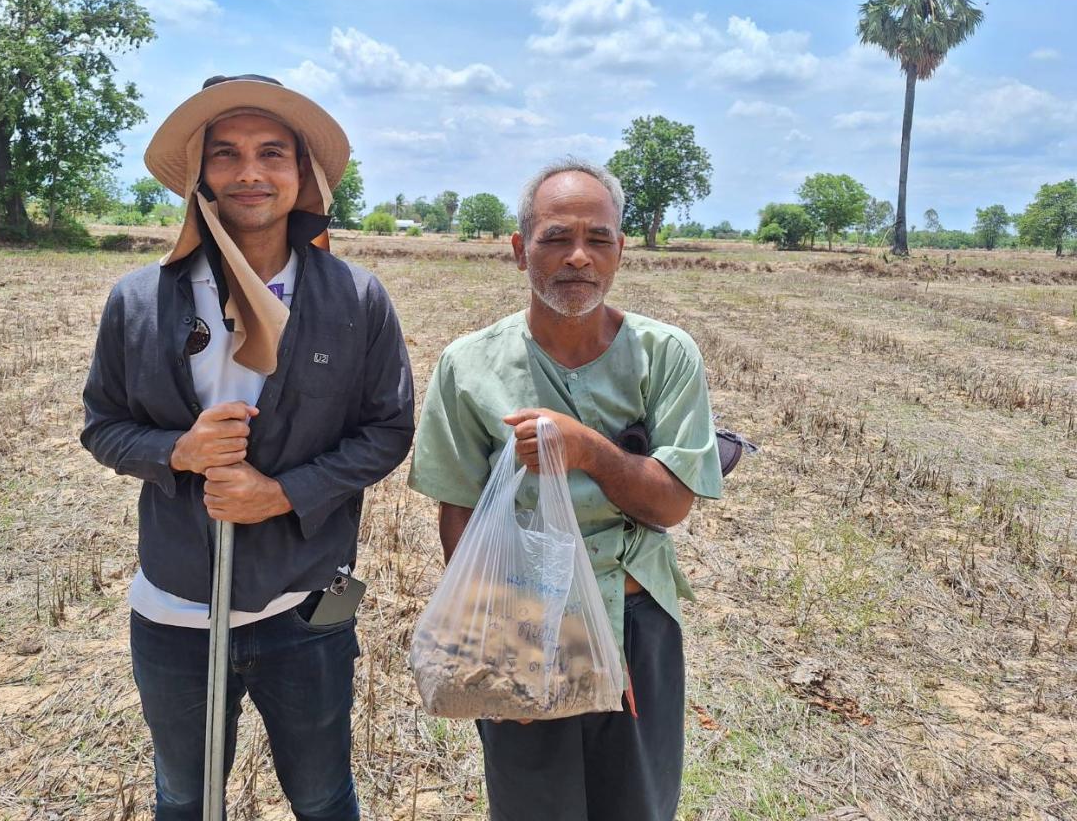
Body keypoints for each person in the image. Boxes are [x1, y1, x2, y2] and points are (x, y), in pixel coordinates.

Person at [81, 74, 414, 821]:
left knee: (325, 794)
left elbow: (388, 431)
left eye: (273, 153)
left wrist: (283, 493)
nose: (250, 173)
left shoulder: (357, 300)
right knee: (186, 798)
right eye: (226, 154)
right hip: (174, 610)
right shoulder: (139, 301)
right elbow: (102, 425)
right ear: (201, 175)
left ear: (304, 176)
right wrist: (178, 450)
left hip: (311, 602)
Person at [408, 157, 723, 821]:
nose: (578, 257)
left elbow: (671, 504)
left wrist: (586, 450)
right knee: (533, 806)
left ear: (619, 251)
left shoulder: (667, 355)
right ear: (520, 249)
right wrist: (496, 654)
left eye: (598, 238)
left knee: (636, 804)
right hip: (523, 618)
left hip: (634, 617)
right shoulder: (470, 366)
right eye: (556, 237)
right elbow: (460, 515)